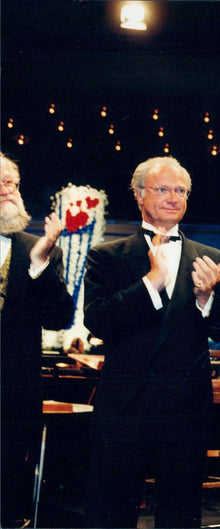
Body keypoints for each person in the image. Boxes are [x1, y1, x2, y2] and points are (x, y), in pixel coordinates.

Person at [82, 156, 220, 528]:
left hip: (185, 409)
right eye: (162, 189)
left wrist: (206, 299)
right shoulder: (107, 256)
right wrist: (150, 283)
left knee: (180, 514)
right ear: (139, 195)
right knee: (111, 512)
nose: (173, 197)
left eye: (180, 190)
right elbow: (99, 320)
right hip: (123, 409)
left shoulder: (213, 259)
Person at [0, 153, 74, 527]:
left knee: (9, 503)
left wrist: (40, 266)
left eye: (10, 182)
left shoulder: (39, 248)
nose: (6, 190)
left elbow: (59, 317)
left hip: (13, 398)